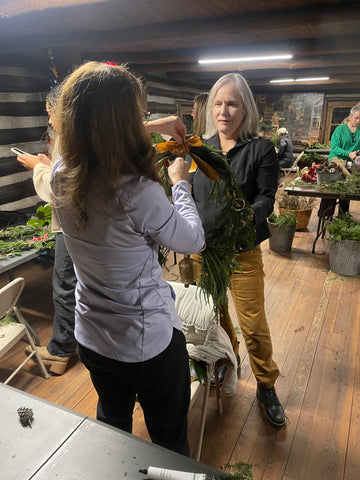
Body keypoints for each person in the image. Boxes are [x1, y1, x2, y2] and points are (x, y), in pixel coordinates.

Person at [51, 61, 205, 456]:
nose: (145, 121)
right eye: (140, 115)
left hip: (92, 337)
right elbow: (192, 240)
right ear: (123, 123)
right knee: (169, 438)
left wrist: (153, 127)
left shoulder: (61, 175)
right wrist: (181, 184)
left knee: (112, 426)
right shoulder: (137, 192)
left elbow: (85, 130)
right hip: (145, 344)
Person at [191, 73, 285, 428]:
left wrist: (245, 215)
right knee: (214, 316)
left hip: (242, 252)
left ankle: (266, 385)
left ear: (245, 108)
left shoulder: (261, 149)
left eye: (231, 103)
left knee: (254, 324)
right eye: (217, 103)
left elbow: (265, 198)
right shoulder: (200, 148)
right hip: (203, 252)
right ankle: (228, 358)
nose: (223, 111)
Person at [17, 86, 78, 375]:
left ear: (61, 110)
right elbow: (65, 174)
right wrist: (49, 164)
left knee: (64, 284)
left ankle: (61, 350)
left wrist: (36, 168)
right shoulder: (83, 134)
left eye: (50, 113)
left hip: (71, 223)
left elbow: (56, 189)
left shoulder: (69, 138)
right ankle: (70, 343)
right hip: (80, 221)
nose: (50, 120)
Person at [328, 104, 360, 214]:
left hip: (351, 164)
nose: (358, 120)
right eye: (357, 118)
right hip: (336, 162)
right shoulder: (340, 130)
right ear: (350, 116)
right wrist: (348, 153)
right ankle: (327, 213)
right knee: (331, 190)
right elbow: (335, 148)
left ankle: (343, 213)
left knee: (347, 188)